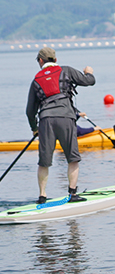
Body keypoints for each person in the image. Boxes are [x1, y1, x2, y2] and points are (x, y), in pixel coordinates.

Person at [26, 47, 96, 204]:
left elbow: (30, 111)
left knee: (44, 161)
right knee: (72, 158)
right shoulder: (67, 71)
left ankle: (42, 197)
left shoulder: (36, 80)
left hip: (45, 120)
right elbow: (89, 81)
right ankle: (72, 194)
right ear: (55, 60)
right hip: (66, 118)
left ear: (41, 61)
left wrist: (34, 129)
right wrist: (89, 72)